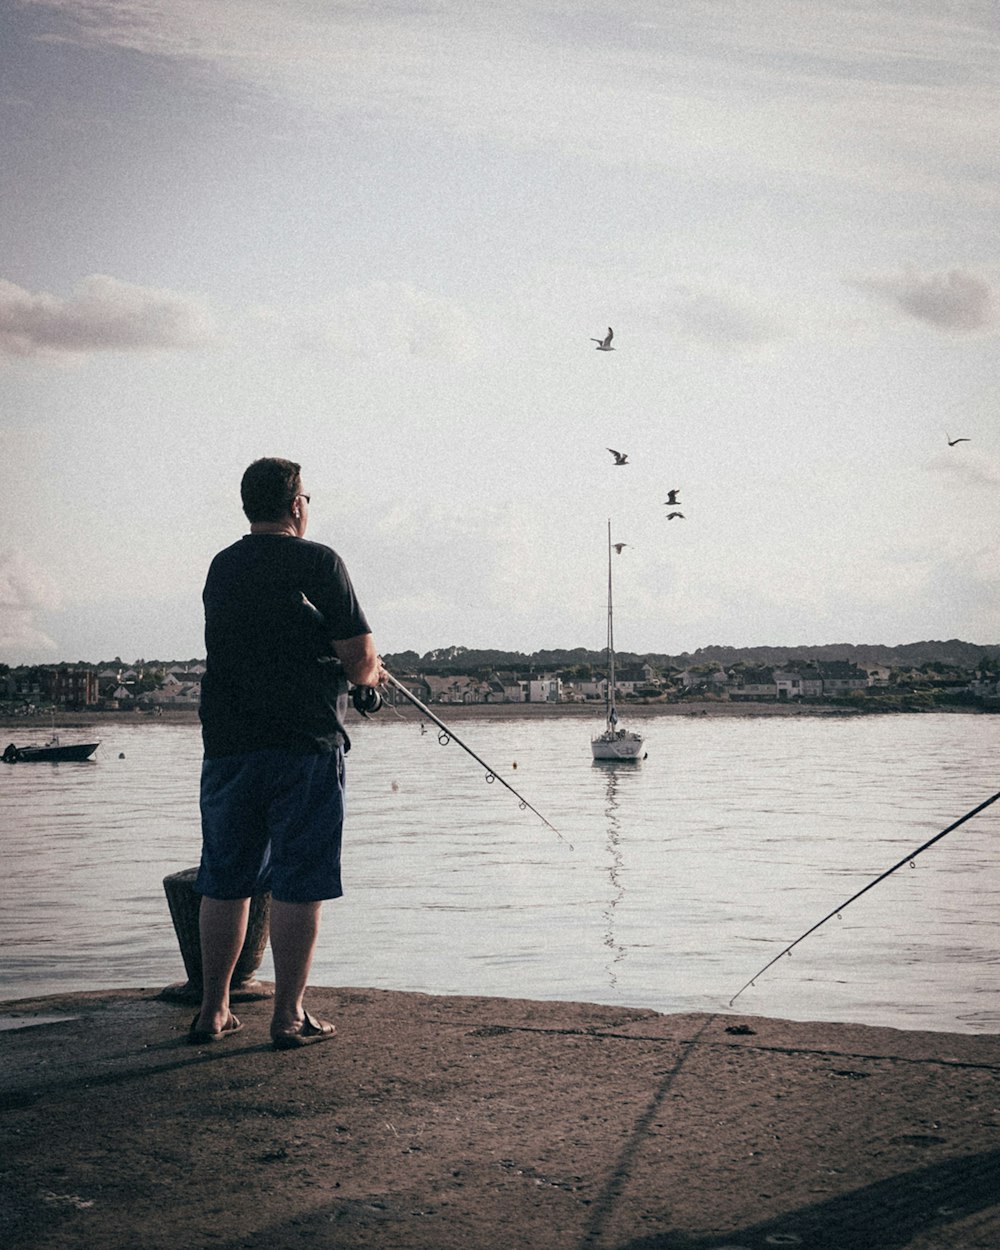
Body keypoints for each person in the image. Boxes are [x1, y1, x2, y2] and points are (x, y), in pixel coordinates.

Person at [190, 457, 385, 1049]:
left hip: (228, 745)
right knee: (301, 881)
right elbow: (360, 659)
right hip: (304, 744)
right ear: (297, 504)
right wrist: (368, 679)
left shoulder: (222, 566)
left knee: (225, 877)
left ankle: (213, 1012)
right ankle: (289, 1016)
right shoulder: (319, 561)